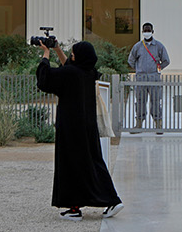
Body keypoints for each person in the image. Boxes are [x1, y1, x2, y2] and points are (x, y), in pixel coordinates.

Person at [36, 38, 123, 220]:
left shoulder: (71, 73)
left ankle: (74, 208)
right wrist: (58, 49)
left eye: (73, 53)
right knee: (94, 163)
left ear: (78, 57)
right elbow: (69, 67)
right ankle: (112, 200)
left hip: (70, 127)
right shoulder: (88, 72)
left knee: (70, 165)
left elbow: (45, 79)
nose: (71, 56)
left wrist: (46, 54)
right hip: (87, 126)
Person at [126, 22, 170, 134]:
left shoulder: (159, 46)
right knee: (140, 101)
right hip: (141, 78)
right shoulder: (138, 46)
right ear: (142, 32)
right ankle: (139, 124)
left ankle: (158, 124)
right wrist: (138, 69)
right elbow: (131, 60)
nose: (147, 32)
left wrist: (158, 69)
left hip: (154, 77)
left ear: (152, 31)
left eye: (148, 30)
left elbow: (166, 60)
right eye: (145, 30)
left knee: (155, 101)